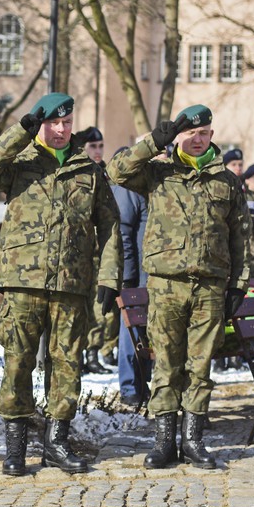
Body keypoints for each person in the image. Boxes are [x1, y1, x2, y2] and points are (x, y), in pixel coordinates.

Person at [0, 93, 122, 476]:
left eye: (66, 123)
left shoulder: (87, 170)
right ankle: (16, 448)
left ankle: (57, 443)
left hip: (71, 285)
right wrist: (20, 130)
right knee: (18, 362)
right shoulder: (19, 162)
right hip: (23, 282)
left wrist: (108, 275)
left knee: (67, 364)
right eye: (53, 123)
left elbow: (110, 225)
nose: (60, 130)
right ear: (41, 124)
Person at [107, 104, 250, 470]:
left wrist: (238, 285)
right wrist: (156, 141)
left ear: (212, 136)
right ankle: (163, 442)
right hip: (167, 285)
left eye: (204, 133)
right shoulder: (158, 173)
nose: (198, 139)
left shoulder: (227, 182)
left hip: (210, 287)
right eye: (191, 133)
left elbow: (240, 239)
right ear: (179, 137)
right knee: (167, 365)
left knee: (200, 368)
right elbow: (117, 170)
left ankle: (193, 440)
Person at [109, 145, 150, 407]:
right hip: (136, 277)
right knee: (131, 331)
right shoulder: (128, 187)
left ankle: (142, 383)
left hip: (151, 275)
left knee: (145, 333)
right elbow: (122, 231)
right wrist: (128, 276)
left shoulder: (148, 183)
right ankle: (129, 388)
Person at [77, 126, 118, 373]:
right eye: (93, 146)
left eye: (101, 146)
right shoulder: (79, 174)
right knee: (79, 309)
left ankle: (92, 354)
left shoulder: (106, 175)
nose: (98, 150)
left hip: (99, 254)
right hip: (79, 254)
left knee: (99, 308)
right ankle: (80, 355)